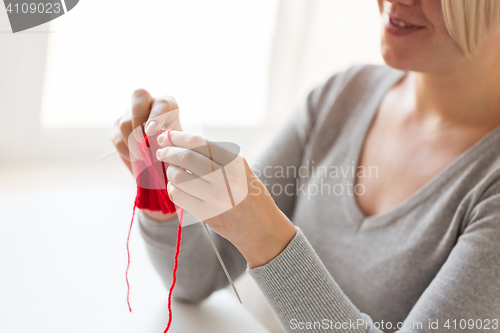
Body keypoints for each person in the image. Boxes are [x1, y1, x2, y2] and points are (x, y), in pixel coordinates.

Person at [111, 0, 500, 332]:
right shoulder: (342, 96)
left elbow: (254, 233)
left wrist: (262, 231)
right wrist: (159, 192)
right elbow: (195, 278)